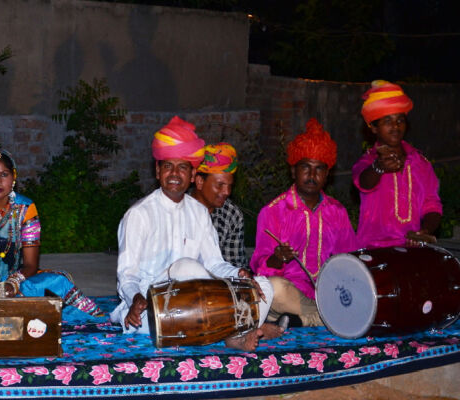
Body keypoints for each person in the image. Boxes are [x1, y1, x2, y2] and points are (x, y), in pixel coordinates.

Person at [111, 116, 279, 351]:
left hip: (198, 305)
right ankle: (241, 327)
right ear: (157, 171)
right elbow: (127, 276)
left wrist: (239, 274)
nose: (174, 173)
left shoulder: (199, 212)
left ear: (192, 175)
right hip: (153, 308)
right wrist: (135, 299)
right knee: (187, 267)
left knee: (262, 285)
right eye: (168, 166)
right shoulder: (138, 215)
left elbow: (214, 263)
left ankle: (235, 332)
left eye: (182, 167)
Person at [0, 149, 101, 317]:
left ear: (13, 177)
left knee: (57, 282)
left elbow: (30, 264)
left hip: (12, 283)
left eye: (4, 174)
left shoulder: (25, 208)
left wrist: (12, 284)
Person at [250, 118, 358, 326]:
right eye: (305, 168)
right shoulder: (273, 211)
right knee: (274, 288)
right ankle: (327, 318)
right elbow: (260, 268)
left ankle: (301, 320)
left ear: (327, 174)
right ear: (293, 171)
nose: (311, 175)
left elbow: (350, 261)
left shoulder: (337, 212)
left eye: (319, 169)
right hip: (289, 294)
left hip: (329, 293)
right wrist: (277, 258)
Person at [353, 80, 442, 248]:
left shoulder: (421, 163)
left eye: (400, 120)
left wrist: (425, 231)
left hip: (411, 251)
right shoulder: (367, 161)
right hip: (374, 251)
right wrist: (379, 167)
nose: (395, 126)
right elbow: (363, 182)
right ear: (374, 128)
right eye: (387, 121)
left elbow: (432, 205)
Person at [191, 142, 249, 271]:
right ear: (200, 181)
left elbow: (234, 266)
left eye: (230, 186)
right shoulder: (179, 209)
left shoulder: (231, 215)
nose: (227, 192)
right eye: (220, 185)